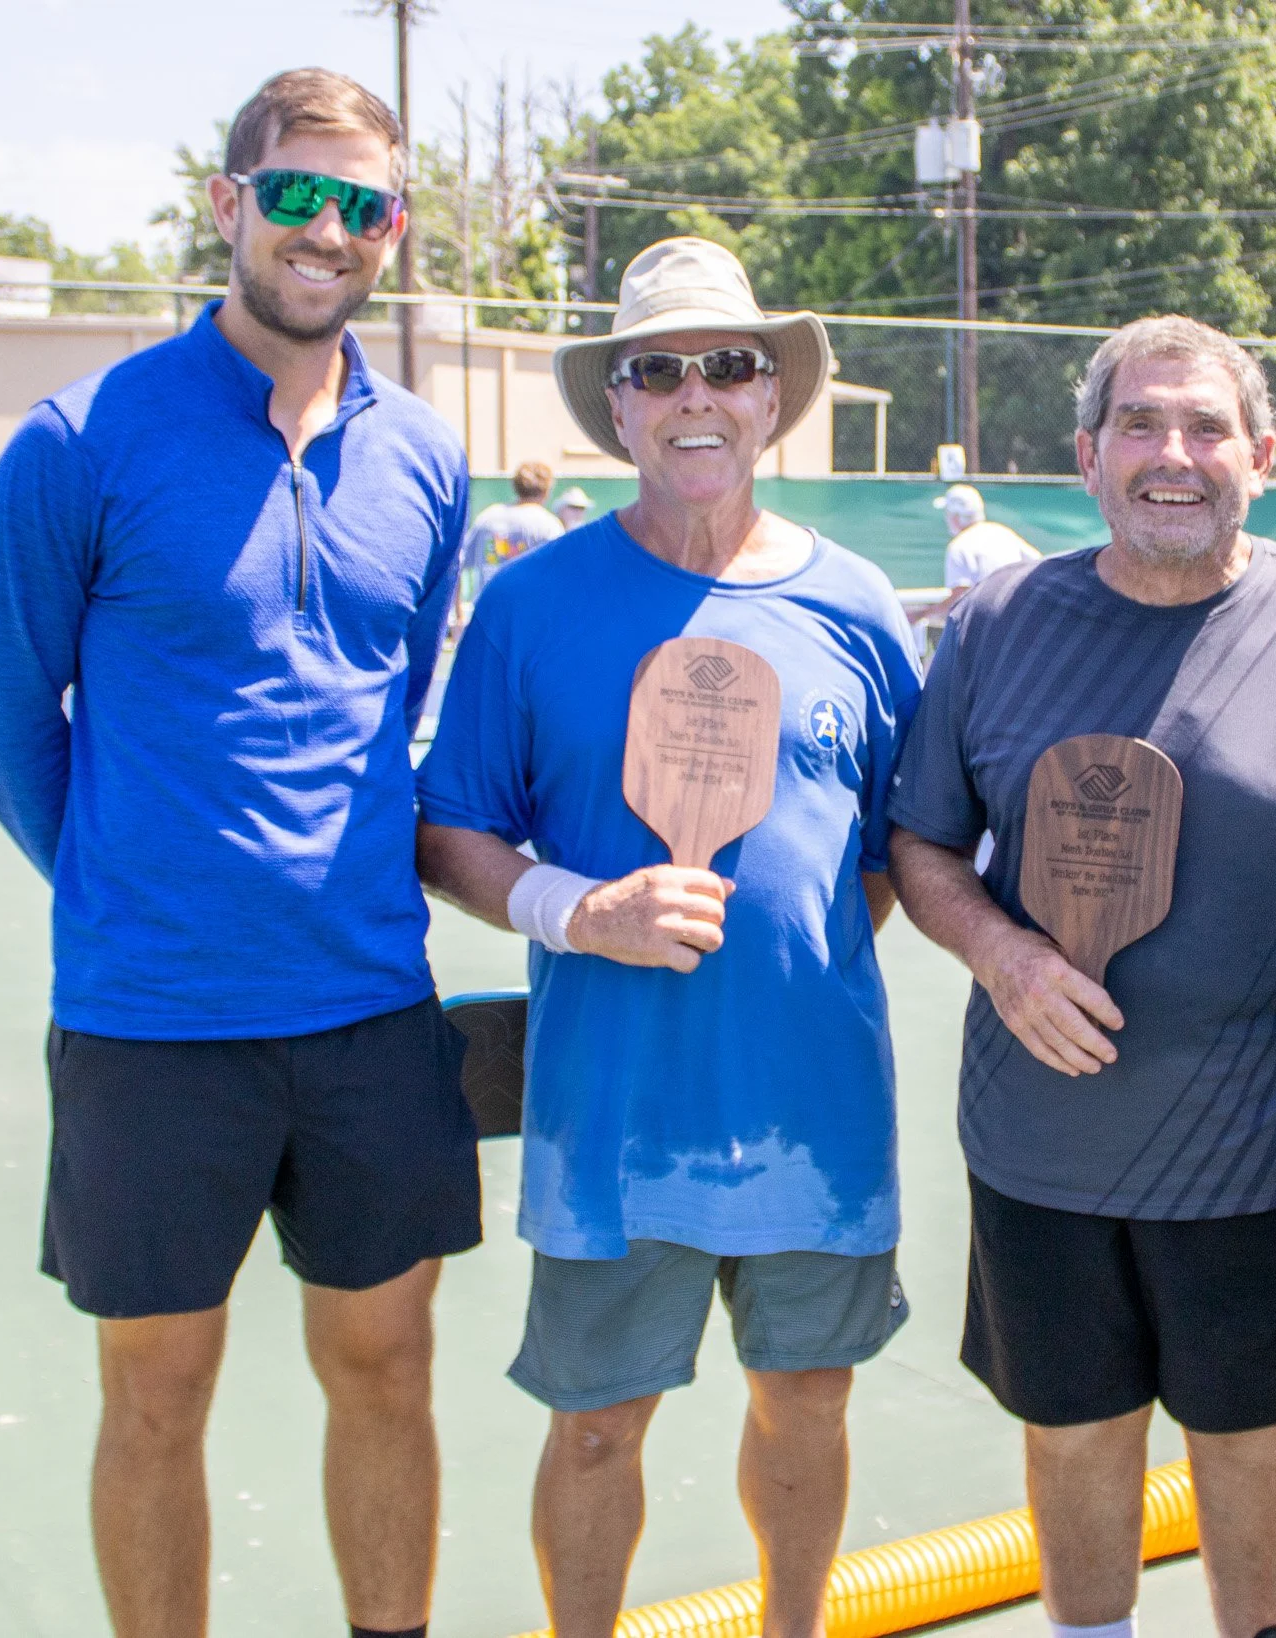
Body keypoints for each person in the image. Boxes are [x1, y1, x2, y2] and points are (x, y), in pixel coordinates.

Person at [0, 69, 479, 1638]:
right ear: (228, 205)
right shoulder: (79, 440)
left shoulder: (429, 460)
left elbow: (407, 705)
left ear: (393, 231)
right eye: (297, 193)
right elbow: (6, 724)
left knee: (388, 1367)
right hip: (154, 1021)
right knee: (158, 1394)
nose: (328, 231)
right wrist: (141, 890)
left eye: (364, 204)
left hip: (370, 1007)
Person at [887, 315, 1276, 1638]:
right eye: (1139, 424)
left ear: (1261, 451)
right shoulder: (1005, 620)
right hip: (1039, 1156)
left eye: (1203, 427)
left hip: (1268, 1167)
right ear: (1087, 454)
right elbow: (921, 843)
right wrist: (1001, 951)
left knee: (1251, 1451)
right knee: (1073, 1441)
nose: (1170, 454)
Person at [413, 236, 922, 1638]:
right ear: (619, 407)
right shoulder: (530, 606)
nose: (697, 392)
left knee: (808, 1402)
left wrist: (791, 968)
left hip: (814, 1115)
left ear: (772, 399)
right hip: (610, 1118)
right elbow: (450, 827)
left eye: (729, 365)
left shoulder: (861, 609)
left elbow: (893, 848)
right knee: (592, 1429)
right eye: (659, 370)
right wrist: (581, 912)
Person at [919, 482, 1040, 626]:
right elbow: (1038, 563)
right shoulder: (1003, 533)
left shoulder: (958, 546)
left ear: (956, 517)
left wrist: (920, 615)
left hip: (987, 626)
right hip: (1020, 619)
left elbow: (959, 600)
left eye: (948, 513)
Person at [457, 460, 564, 624]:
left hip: (486, 616)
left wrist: (459, 615)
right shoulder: (548, 524)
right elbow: (560, 576)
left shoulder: (488, 517)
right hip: (530, 619)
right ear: (547, 491)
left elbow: (457, 565)